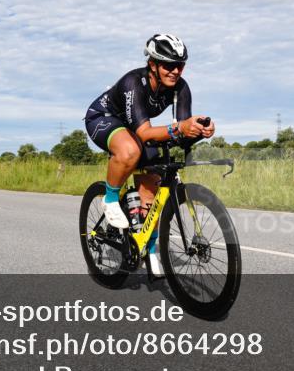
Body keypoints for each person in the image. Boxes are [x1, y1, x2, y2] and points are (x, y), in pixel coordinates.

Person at [84, 34, 215, 234]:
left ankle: (147, 247)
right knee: (130, 150)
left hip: (134, 126)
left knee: (152, 198)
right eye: (169, 66)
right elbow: (146, 133)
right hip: (103, 118)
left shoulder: (181, 87)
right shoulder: (134, 82)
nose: (175, 71)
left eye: (180, 66)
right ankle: (110, 199)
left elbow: (182, 133)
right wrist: (180, 128)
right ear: (153, 64)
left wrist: (199, 131)